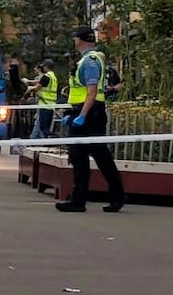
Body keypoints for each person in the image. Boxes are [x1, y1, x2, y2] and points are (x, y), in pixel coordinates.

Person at [56, 26, 126, 213]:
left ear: (79, 39)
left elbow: (92, 91)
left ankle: (117, 196)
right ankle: (78, 200)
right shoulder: (86, 60)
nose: (74, 42)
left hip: (90, 113)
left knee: (100, 156)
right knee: (79, 157)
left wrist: (82, 115)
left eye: (75, 38)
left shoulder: (90, 61)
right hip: (84, 111)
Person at [23, 60, 58, 140]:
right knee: (46, 126)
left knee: (43, 127)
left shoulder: (47, 77)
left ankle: (47, 141)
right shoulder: (53, 76)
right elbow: (39, 81)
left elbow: (37, 87)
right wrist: (29, 81)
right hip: (51, 105)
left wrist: (29, 89)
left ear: (46, 67)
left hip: (44, 104)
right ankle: (47, 141)